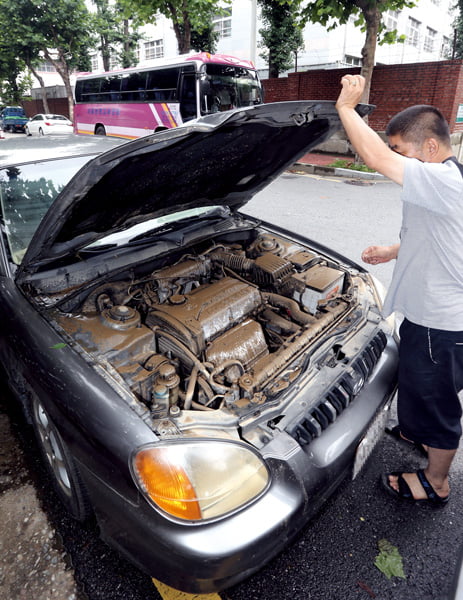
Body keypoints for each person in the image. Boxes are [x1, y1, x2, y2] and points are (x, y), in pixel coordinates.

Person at [335, 74, 463, 506]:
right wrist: (393, 250)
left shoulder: (443, 180)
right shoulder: (448, 179)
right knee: (422, 388)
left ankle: (436, 481)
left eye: (401, 150)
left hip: (440, 325)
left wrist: (346, 109)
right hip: (433, 319)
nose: (396, 159)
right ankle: (420, 434)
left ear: (430, 147)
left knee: (437, 403)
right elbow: (440, 234)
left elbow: (372, 156)